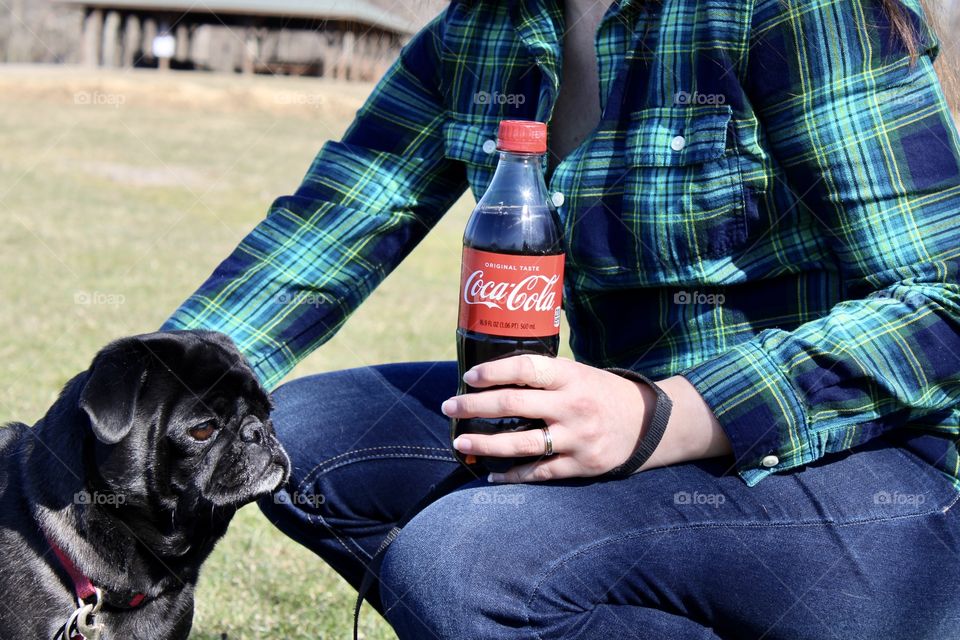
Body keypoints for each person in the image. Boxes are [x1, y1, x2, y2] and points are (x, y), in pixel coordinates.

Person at [162, 0, 960, 637]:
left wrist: (661, 416)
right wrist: (149, 396)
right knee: (291, 436)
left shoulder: (794, 9)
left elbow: (946, 301)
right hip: (627, 436)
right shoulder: (486, 26)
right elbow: (337, 220)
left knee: (464, 560)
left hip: (868, 469)